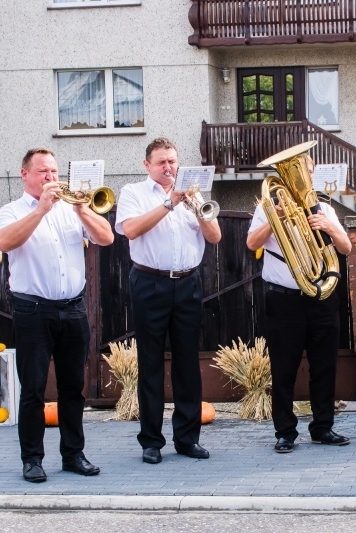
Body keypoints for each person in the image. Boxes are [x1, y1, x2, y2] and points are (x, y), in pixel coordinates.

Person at [0, 148, 114, 483]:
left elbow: (106, 237)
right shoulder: (11, 211)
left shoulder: (72, 209)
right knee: (33, 388)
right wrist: (41, 209)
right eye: (43, 171)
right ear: (25, 174)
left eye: (54, 171)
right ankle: (32, 459)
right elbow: (5, 242)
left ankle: (73, 454)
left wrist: (81, 210)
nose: (50, 177)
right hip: (32, 310)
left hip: (73, 309)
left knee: (73, 387)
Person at [115, 137, 222, 464]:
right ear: (147, 165)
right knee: (150, 363)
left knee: (188, 364)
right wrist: (168, 204)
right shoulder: (133, 193)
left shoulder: (193, 194)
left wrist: (197, 208)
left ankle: (187, 439)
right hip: (150, 282)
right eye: (161, 162)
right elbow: (131, 230)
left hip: (187, 283)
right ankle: (151, 442)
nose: (168, 167)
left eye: (172, 161)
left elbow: (214, 236)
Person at [246, 156, 352, 454]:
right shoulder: (265, 208)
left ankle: (323, 427)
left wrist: (329, 227)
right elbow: (252, 244)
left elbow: (346, 247)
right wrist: (273, 220)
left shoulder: (325, 208)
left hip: (321, 297)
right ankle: (285, 432)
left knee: (324, 365)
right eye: (295, 172)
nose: (299, 177)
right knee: (284, 367)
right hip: (284, 300)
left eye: (304, 171)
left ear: (312, 173)